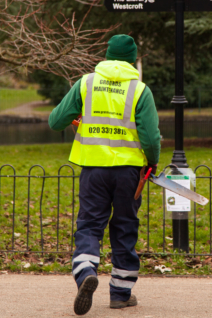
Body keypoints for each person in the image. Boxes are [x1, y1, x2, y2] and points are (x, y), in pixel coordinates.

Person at [49, 34, 160, 315]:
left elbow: (55, 121)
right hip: (128, 172)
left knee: (89, 225)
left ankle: (86, 270)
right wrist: (152, 161)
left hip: (93, 170)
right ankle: (121, 294)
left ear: (107, 55)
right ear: (133, 59)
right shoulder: (140, 90)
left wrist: (78, 116)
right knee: (124, 227)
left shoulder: (86, 83)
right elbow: (150, 137)